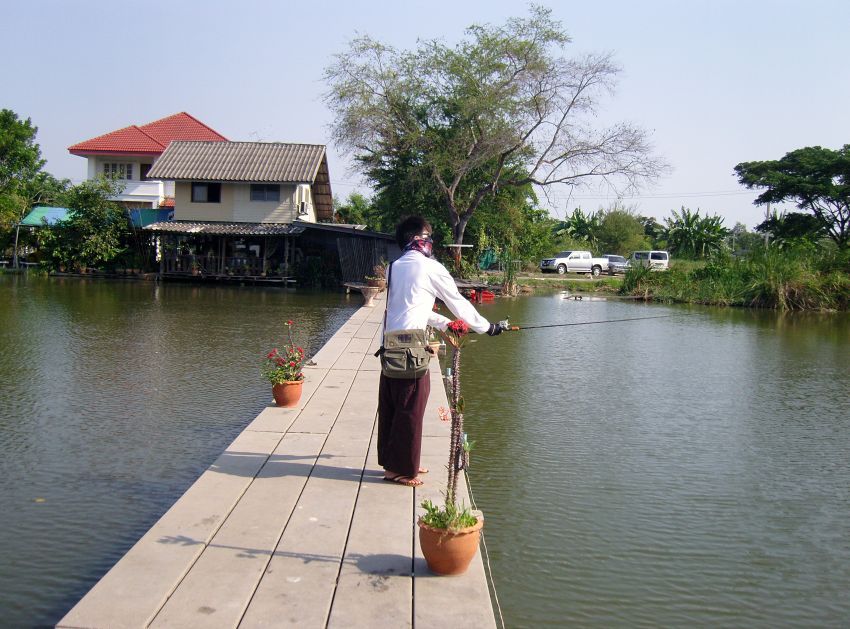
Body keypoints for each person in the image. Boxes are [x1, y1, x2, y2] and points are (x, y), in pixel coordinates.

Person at [378, 216, 502, 487]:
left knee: (392, 406)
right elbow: (457, 302)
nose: (430, 241)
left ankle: (395, 463)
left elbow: (411, 308)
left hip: (389, 345)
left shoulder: (394, 266)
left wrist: (447, 324)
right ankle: (401, 470)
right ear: (418, 239)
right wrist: (487, 328)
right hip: (411, 349)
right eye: (427, 236)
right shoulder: (430, 268)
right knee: (411, 407)